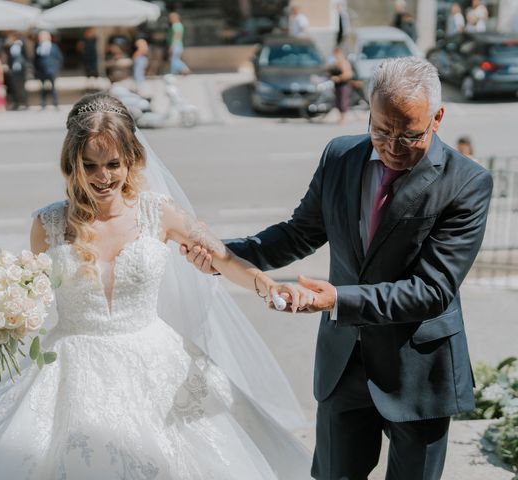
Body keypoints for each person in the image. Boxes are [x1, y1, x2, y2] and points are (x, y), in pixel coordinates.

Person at [0, 92, 314, 479]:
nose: (103, 177)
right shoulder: (49, 225)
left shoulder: (159, 213)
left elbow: (222, 259)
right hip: (70, 367)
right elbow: (34, 293)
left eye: (113, 164)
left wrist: (265, 284)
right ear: (72, 164)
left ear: (132, 160)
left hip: (154, 359)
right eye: (90, 165)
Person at [184, 57, 493, 480]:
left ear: (438, 118)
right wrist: (223, 256)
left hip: (418, 372)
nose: (393, 147)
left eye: (410, 135)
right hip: (343, 363)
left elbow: (432, 289)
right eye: (382, 130)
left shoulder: (468, 182)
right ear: (368, 110)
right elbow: (299, 234)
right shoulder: (340, 156)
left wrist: (336, 299)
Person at [34, 30, 63, 109]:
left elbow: (59, 58)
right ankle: (43, 104)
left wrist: (56, 68)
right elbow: (36, 59)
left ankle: (55, 103)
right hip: (41, 70)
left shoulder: (54, 46)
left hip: (52, 70)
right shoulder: (37, 47)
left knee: (53, 88)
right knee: (43, 88)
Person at [328, 46, 353, 125]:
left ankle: (344, 118)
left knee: (343, 102)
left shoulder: (344, 62)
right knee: (338, 102)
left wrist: (338, 78)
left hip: (344, 85)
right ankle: (340, 117)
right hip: (337, 85)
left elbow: (349, 74)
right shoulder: (336, 63)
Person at [6, 34, 29, 110]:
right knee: (14, 87)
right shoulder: (10, 46)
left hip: (21, 69)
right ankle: (17, 103)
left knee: (21, 87)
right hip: (13, 69)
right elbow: (10, 58)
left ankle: (24, 103)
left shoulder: (21, 45)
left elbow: (26, 56)